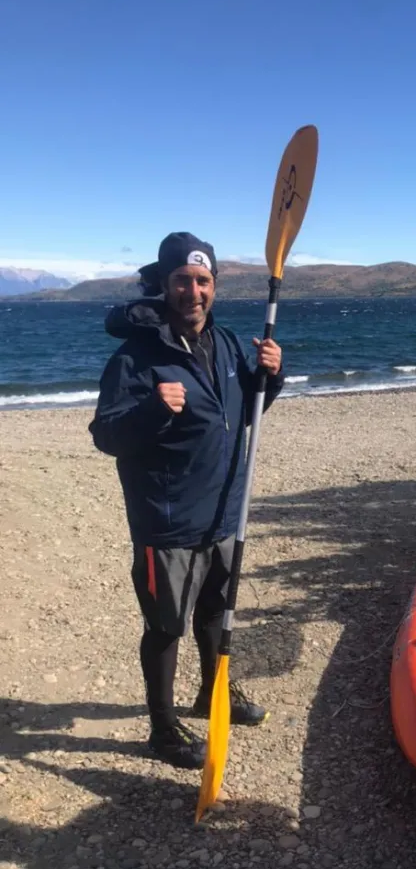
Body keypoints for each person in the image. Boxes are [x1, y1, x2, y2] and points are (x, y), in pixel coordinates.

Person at [89, 232, 284, 769]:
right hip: (169, 522)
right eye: (182, 280)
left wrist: (271, 376)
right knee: (166, 626)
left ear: (213, 286)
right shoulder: (135, 358)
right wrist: (153, 408)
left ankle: (210, 694)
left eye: (202, 281)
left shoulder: (224, 343)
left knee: (216, 613)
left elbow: (242, 416)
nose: (192, 291)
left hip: (224, 511)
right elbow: (106, 436)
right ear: (164, 284)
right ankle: (161, 726)